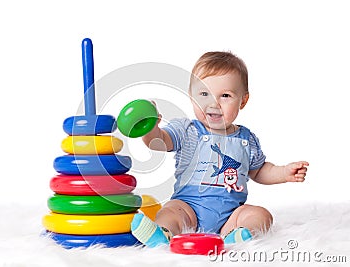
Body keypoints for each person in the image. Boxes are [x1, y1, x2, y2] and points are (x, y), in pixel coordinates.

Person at [130, 51, 309, 247]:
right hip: (189, 208)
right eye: (204, 94)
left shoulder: (246, 138)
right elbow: (158, 141)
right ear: (191, 96)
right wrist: (151, 128)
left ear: (242, 100)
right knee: (171, 211)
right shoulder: (187, 130)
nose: (213, 103)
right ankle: (163, 234)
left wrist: (284, 172)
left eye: (225, 96)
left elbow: (259, 171)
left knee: (261, 215)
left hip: (231, 214)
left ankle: (239, 235)